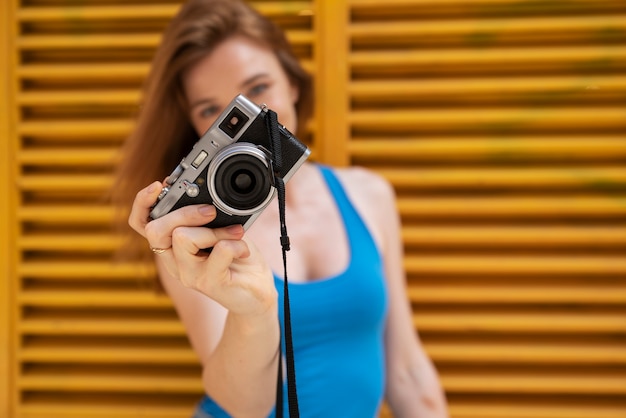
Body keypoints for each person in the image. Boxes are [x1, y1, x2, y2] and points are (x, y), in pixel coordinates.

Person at [114, 0, 449, 416]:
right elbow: (243, 405)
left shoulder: (369, 196)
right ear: (198, 131)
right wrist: (254, 312)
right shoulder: (191, 227)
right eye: (210, 111)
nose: (244, 119)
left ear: (292, 82)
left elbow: (407, 371)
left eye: (257, 90)